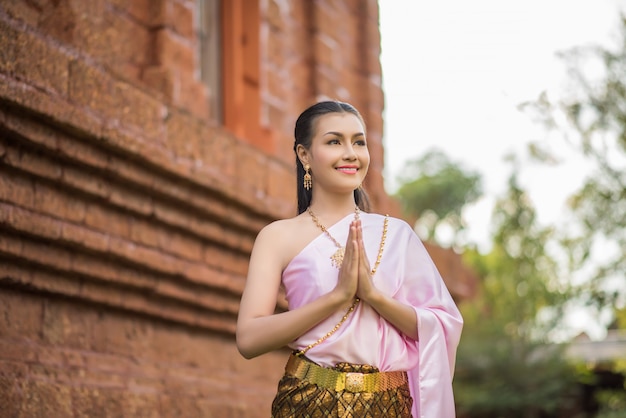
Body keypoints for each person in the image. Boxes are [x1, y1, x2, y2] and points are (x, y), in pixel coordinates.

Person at [236, 100, 463, 418]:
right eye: (334, 141)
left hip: (389, 403)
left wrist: (372, 296)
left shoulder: (395, 234)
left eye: (358, 142)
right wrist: (337, 297)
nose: (350, 153)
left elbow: (440, 325)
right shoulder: (277, 237)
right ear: (305, 156)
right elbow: (248, 338)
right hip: (308, 400)